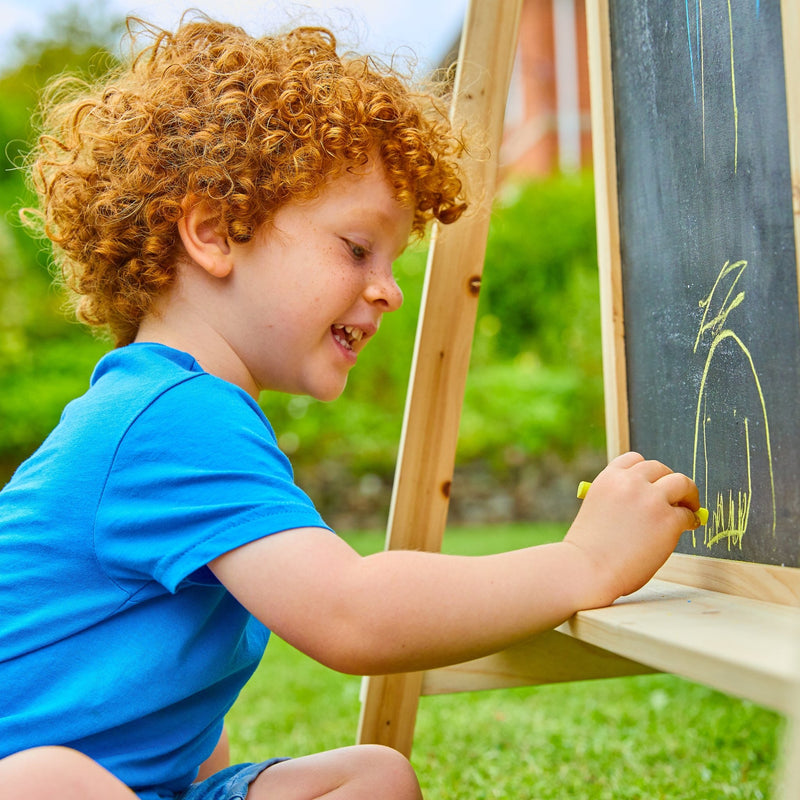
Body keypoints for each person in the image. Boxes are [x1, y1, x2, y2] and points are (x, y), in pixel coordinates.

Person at [0, 13, 701, 800]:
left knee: (372, 777)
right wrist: (585, 563)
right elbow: (350, 614)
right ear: (214, 231)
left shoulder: (178, 410)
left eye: (393, 261)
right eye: (357, 248)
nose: (389, 291)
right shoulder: (170, 415)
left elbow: (153, 693)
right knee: (44, 780)